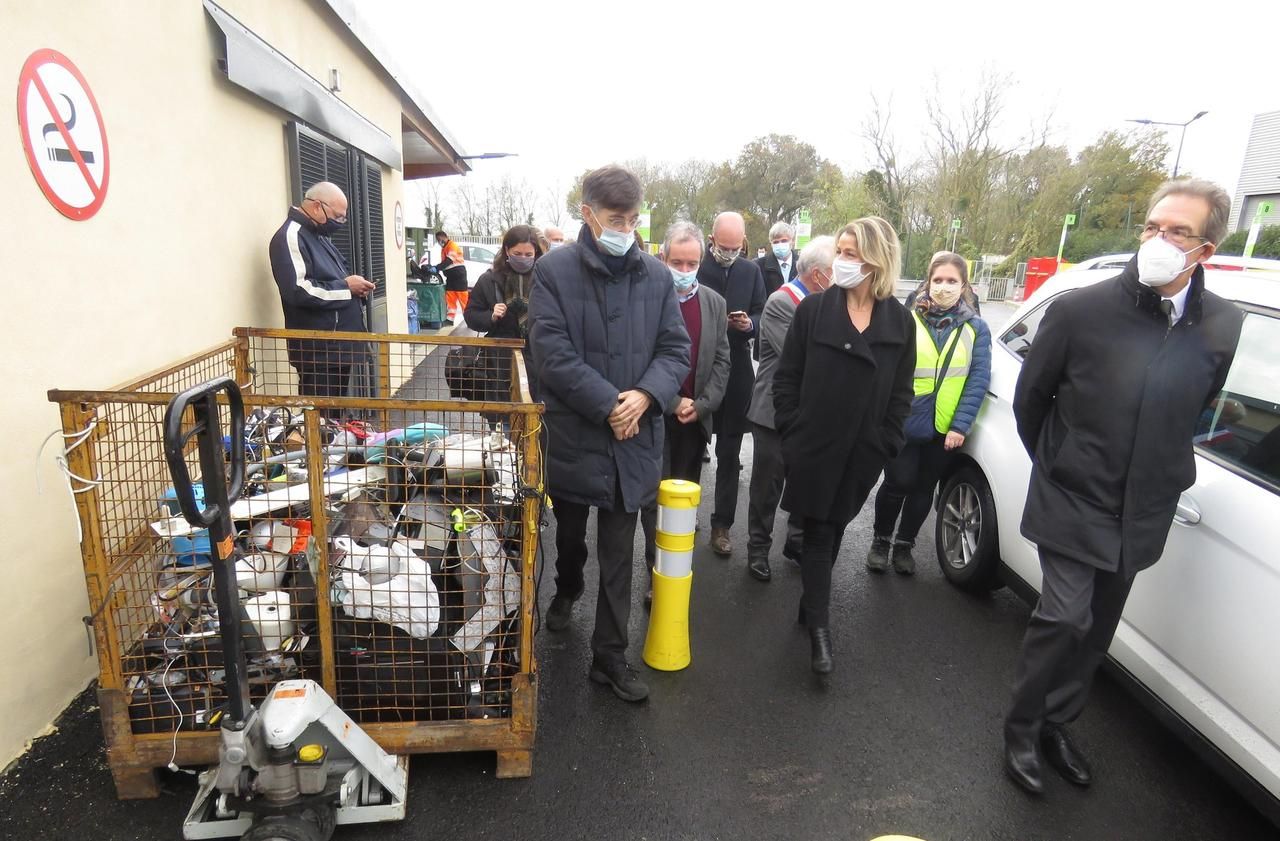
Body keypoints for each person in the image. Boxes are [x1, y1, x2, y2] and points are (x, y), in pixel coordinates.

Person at [1002, 178, 1242, 796]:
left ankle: (1058, 723)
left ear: (1205, 250)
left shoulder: (1222, 323)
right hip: (1073, 494)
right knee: (1063, 614)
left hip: (1145, 506)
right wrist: (1061, 463)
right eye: (1152, 227)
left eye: (1178, 232)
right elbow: (1033, 402)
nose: (1158, 240)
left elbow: (1200, 404)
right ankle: (1021, 730)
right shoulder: (1081, 310)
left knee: (1098, 624)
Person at [528, 164, 691, 703]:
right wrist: (607, 405)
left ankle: (609, 657)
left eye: (633, 219)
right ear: (588, 215)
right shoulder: (554, 271)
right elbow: (551, 353)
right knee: (571, 537)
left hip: (634, 440)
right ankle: (568, 586)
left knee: (620, 553)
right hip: (578, 436)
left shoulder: (657, 276)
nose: (626, 228)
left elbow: (675, 350)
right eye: (616, 219)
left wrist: (644, 397)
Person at [773, 217, 915, 674]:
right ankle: (820, 630)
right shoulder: (814, 311)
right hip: (813, 445)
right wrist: (793, 432)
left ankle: (808, 606)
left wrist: (887, 441)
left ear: (877, 260)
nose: (842, 261)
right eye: (841, 250)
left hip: (863, 451)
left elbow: (901, 392)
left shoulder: (900, 321)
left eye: (852, 253)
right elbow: (787, 378)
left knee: (834, 530)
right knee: (816, 532)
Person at [868, 252, 991, 575]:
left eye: (952, 281)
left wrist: (960, 425)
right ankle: (881, 540)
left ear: (964, 285)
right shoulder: (908, 318)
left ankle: (904, 545)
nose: (944, 287)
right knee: (898, 481)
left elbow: (977, 379)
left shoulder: (976, 328)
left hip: (945, 425)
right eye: (938, 280)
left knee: (924, 488)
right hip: (905, 418)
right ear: (927, 282)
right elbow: (889, 369)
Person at [640, 221, 732, 600]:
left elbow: (723, 360)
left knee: (684, 498)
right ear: (663, 258)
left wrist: (703, 404)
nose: (683, 269)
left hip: (696, 420)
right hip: (656, 414)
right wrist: (674, 401)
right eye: (676, 261)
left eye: (691, 261)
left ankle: (678, 570)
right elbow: (640, 357)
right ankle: (654, 571)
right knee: (654, 499)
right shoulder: (646, 298)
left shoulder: (714, 302)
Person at [743, 235, 834, 582]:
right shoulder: (783, 302)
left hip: (811, 415)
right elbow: (803, 359)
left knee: (805, 482)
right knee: (767, 487)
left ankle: (796, 543)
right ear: (818, 274)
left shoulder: (825, 303)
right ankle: (757, 549)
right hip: (773, 413)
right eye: (834, 272)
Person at [696, 211, 766, 557]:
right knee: (691, 448)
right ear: (712, 240)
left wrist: (747, 324)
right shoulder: (696, 266)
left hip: (737, 370)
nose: (729, 252)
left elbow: (760, 312)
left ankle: (721, 526)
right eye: (724, 247)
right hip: (699, 369)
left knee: (729, 453)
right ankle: (684, 512)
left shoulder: (751, 271)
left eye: (736, 247)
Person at [268, 181, 374, 399]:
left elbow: (331, 280)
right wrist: (347, 288)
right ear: (317, 206)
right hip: (319, 351)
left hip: (335, 347)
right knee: (319, 415)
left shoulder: (318, 236)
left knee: (332, 417)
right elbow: (299, 290)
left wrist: (354, 288)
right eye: (337, 216)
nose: (340, 223)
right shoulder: (291, 236)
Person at [464, 224, 544, 419]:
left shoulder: (545, 280)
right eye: (518, 253)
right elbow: (471, 315)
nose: (523, 258)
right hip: (498, 363)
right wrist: (490, 316)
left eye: (528, 254)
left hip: (537, 361)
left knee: (534, 421)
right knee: (502, 424)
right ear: (507, 250)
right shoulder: (489, 280)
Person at [429, 230, 468, 322]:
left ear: (444, 237)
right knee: (450, 298)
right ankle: (450, 319)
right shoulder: (444, 248)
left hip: (459, 276)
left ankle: (468, 318)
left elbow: (449, 261)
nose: (439, 241)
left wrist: (437, 268)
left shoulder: (452, 246)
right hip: (451, 277)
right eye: (437, 240)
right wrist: (437, 267)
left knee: (463, 299)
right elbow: (445, 263)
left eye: (440, 239)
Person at [756, 221, 799, 298]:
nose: (780, 244)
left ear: (792, 241)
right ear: (771, 244)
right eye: (776, 242)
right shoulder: (759, 266)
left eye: (784, 241)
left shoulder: (802, 265)